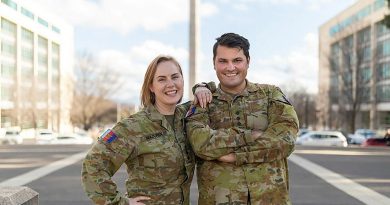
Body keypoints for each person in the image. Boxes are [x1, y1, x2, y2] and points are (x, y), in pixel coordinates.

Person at [186, 33, 299, 204]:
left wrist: (235, 156)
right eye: (223, 61)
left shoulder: (270, 95)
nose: (230, 67)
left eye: (237, 60)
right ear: (214, 63)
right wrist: (251, 136)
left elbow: (285, 140)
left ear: (248, 61)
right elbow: (201, 144)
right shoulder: (204, 102)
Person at [82, 55, 211, 205]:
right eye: (162, 79)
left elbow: (215, 94)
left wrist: (202, 87)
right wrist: (120, 202)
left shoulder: (188, 116)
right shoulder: (133, 126)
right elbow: (93, 164)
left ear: (182, 80)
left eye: (175, 77)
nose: (170, 84)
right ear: (151, 86)